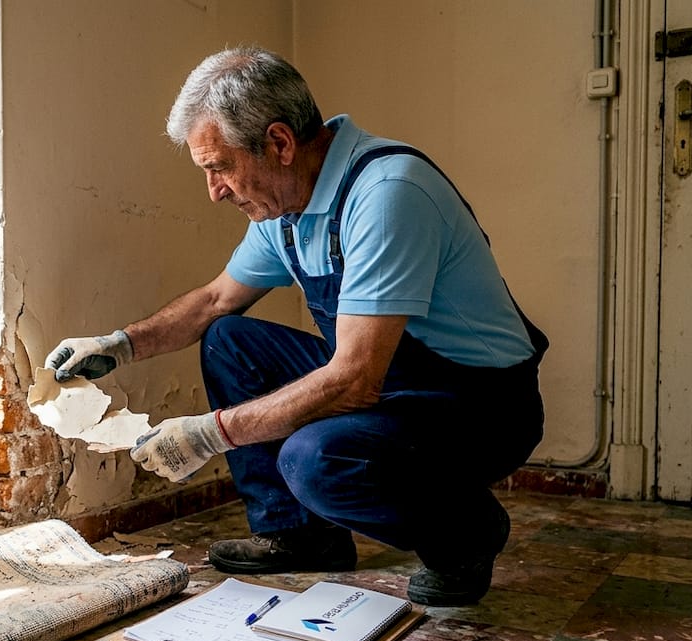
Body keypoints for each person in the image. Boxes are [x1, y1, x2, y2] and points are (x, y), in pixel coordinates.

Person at [44, 47, 547, 607]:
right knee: (230, 341)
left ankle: (467, 533)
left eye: (219, 167)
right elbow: (214, 301)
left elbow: (355, 379)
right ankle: (301, 535)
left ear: (280, 144)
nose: (214, 191)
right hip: (388, 381)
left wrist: (211, 433)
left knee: (315, 461)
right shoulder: (287, 205)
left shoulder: (386, 195)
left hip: (477, 406)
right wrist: (119, 346)